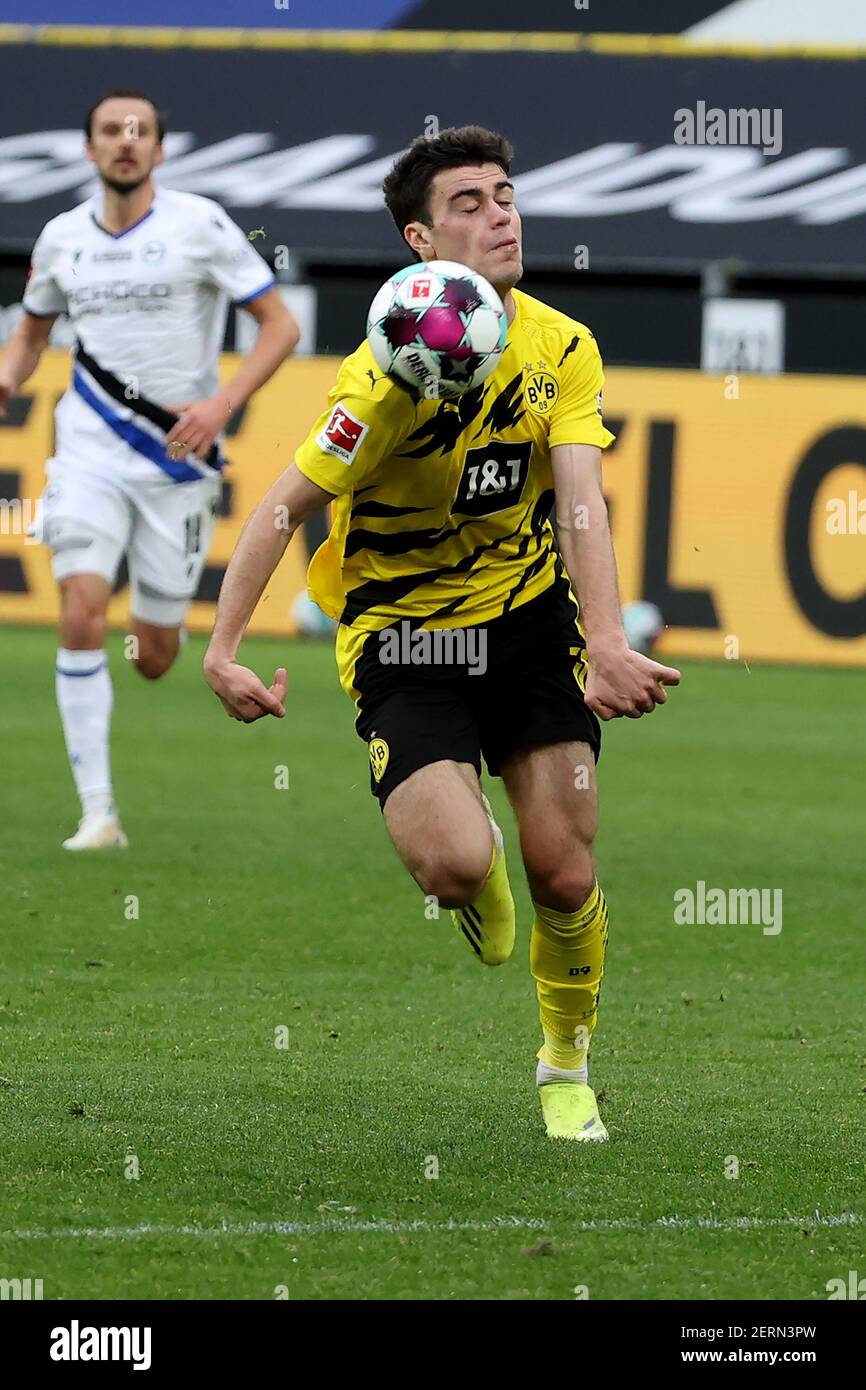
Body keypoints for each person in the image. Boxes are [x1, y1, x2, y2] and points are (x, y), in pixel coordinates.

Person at [203, 126, 680, 1141]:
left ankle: (563, 1068)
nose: (499, 213)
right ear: (421, 241)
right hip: (401, 636)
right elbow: (280, 508)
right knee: (455, 864)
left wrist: (602, 636)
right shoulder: (377, 380)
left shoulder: (561, 347)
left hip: (521, 619)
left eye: (505, 193)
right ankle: (475, 861)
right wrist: (221, 647)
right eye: (468, 201)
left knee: (568, 872)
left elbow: (581, 504)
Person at [0, 89, 299, 849]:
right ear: (89, 148)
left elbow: (281, 323)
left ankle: (155, 631)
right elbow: (31, 334)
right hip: (88, 453)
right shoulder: (63, 237)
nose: (125, 143)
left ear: (160, 150)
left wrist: (222, 401)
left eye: (140, 132)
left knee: (156, 656)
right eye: (110, 131)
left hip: (179, 461)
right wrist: (8, 375)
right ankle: (97, 813)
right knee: (80, 609)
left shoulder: (199, 225)